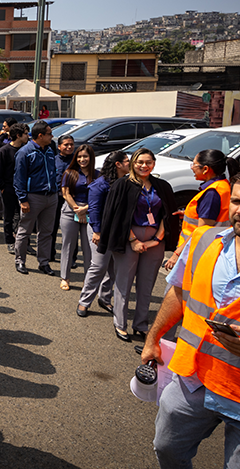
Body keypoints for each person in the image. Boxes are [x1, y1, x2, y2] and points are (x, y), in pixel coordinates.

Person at [139, 167, 240, 469]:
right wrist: (153, 337)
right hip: (194, 378)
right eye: (236, 200)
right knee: (167, 446)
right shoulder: (206, 240)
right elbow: (178, 292)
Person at [97, 148, 178, 341]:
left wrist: (157, 239)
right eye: (139, 162)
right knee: (123, 283)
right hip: (127, 238)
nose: (144, 166)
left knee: (146, 284)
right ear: (133, 163)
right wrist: (133, 240)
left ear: (154, 164)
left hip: (155, 239)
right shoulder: (122, 185)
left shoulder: (161, 186)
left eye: (148, 162)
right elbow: (117, 216)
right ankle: (120, 323)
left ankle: (141, 324)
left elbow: (167, 215)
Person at [163, 149, 235, 271]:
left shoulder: (212, 193)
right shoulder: (222, 186)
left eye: (194, 164)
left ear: (206, 169)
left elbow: (202, 230)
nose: (192, 168)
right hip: (210, 248)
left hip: (196, 250)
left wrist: (177, 254)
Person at [77, 151, 128, 317]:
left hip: (118, 231)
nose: (130, 164)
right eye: (127, 161)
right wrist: (97, 232)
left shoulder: (127, 182)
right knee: (98, 266)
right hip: (99, 230)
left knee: (112, 267)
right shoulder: (100, 185)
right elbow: (94, 210)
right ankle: (84, 302)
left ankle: (105, 298)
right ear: (118, 164)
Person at [13, 121, 58, 276]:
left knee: (46, 232)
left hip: (51, 197)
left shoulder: (51, 149)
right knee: (25, 230)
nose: (52, 136)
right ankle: (20, 260)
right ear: (40, 135)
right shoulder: (25, 152)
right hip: (33, 197)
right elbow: (19, 178)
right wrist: (23, 199)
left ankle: (43, 262)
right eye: (49, 134)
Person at [58, 144, 98, 291]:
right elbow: (65, 194)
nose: (82, 159)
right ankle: (65, 278)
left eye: (85, 156)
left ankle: (88, 281)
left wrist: (85, 209)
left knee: (88, 247)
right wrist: (77, 210)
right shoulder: (69, 173)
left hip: (90, 212)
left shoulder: (97, 175)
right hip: (70, 211)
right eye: (80, 156)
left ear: (91, 157)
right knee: (68, 245)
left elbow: (99, 196)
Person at [0, 123, 29, 254]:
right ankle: (10, 241)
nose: (28, 136)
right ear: (18, 135)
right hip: (8, 188)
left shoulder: (26, 150)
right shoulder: (5, 150)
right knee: (8, 216)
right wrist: (2, 187)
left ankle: (24, 242)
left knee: (24, 216)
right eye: (26, 133)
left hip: (23, 187)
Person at [51, 134, 77, 263]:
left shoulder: (77, 161)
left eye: (71, 144)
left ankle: (72, 257)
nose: (69, 147)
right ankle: (50, 253)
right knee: (52, 226)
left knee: (72, 229)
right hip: (56, 197)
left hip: (73, 198)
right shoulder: (53, 159)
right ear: (59, 146)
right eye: (66, 144)